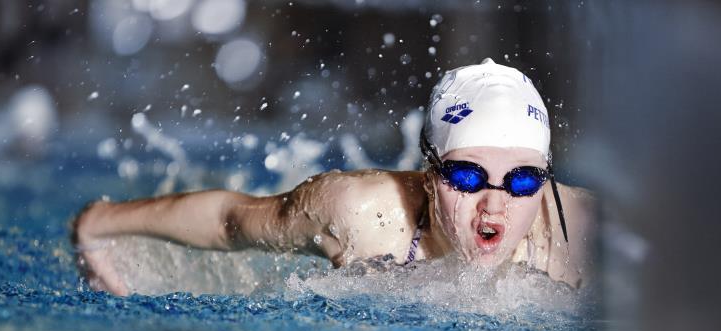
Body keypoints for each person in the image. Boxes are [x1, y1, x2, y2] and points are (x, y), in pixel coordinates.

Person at [73, 59, 596, 296]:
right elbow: (232, 221)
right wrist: (99, 224)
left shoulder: (582, 236)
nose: (496, 206)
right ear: (429, 170)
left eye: (524, 181)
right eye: (467, 176)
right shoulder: (360, 214)